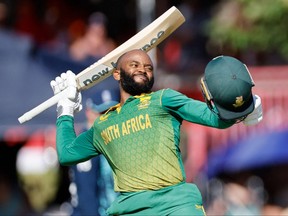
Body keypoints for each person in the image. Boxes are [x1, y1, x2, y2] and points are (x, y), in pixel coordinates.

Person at [50, 50, 262, 215]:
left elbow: (214, 118)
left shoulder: (164, 99)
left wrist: (243, 109)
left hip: (177, 206)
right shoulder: (102, 124)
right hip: (131, 209)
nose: (143, 69)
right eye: (134, 65)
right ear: (117, 73)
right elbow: (68, 154)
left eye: (148, 67)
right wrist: (65, 110)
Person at [69, 89, 119, 216]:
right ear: (89, 112)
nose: (107, 117)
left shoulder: (110, 140)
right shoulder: (87, 143)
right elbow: (87, 196)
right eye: (102, 112)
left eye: (112, 111)